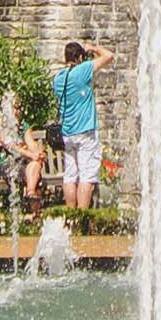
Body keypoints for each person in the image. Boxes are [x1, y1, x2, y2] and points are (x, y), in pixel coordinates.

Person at [52, 38, 111, 213]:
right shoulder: (82, 70)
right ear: (78, 58)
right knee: (87, 175)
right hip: (85, 131)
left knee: (70, 175)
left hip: (68, 133)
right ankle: (82, 216)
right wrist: (92, 48)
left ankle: (71, 214)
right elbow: (109, 56)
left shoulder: (58, 78)